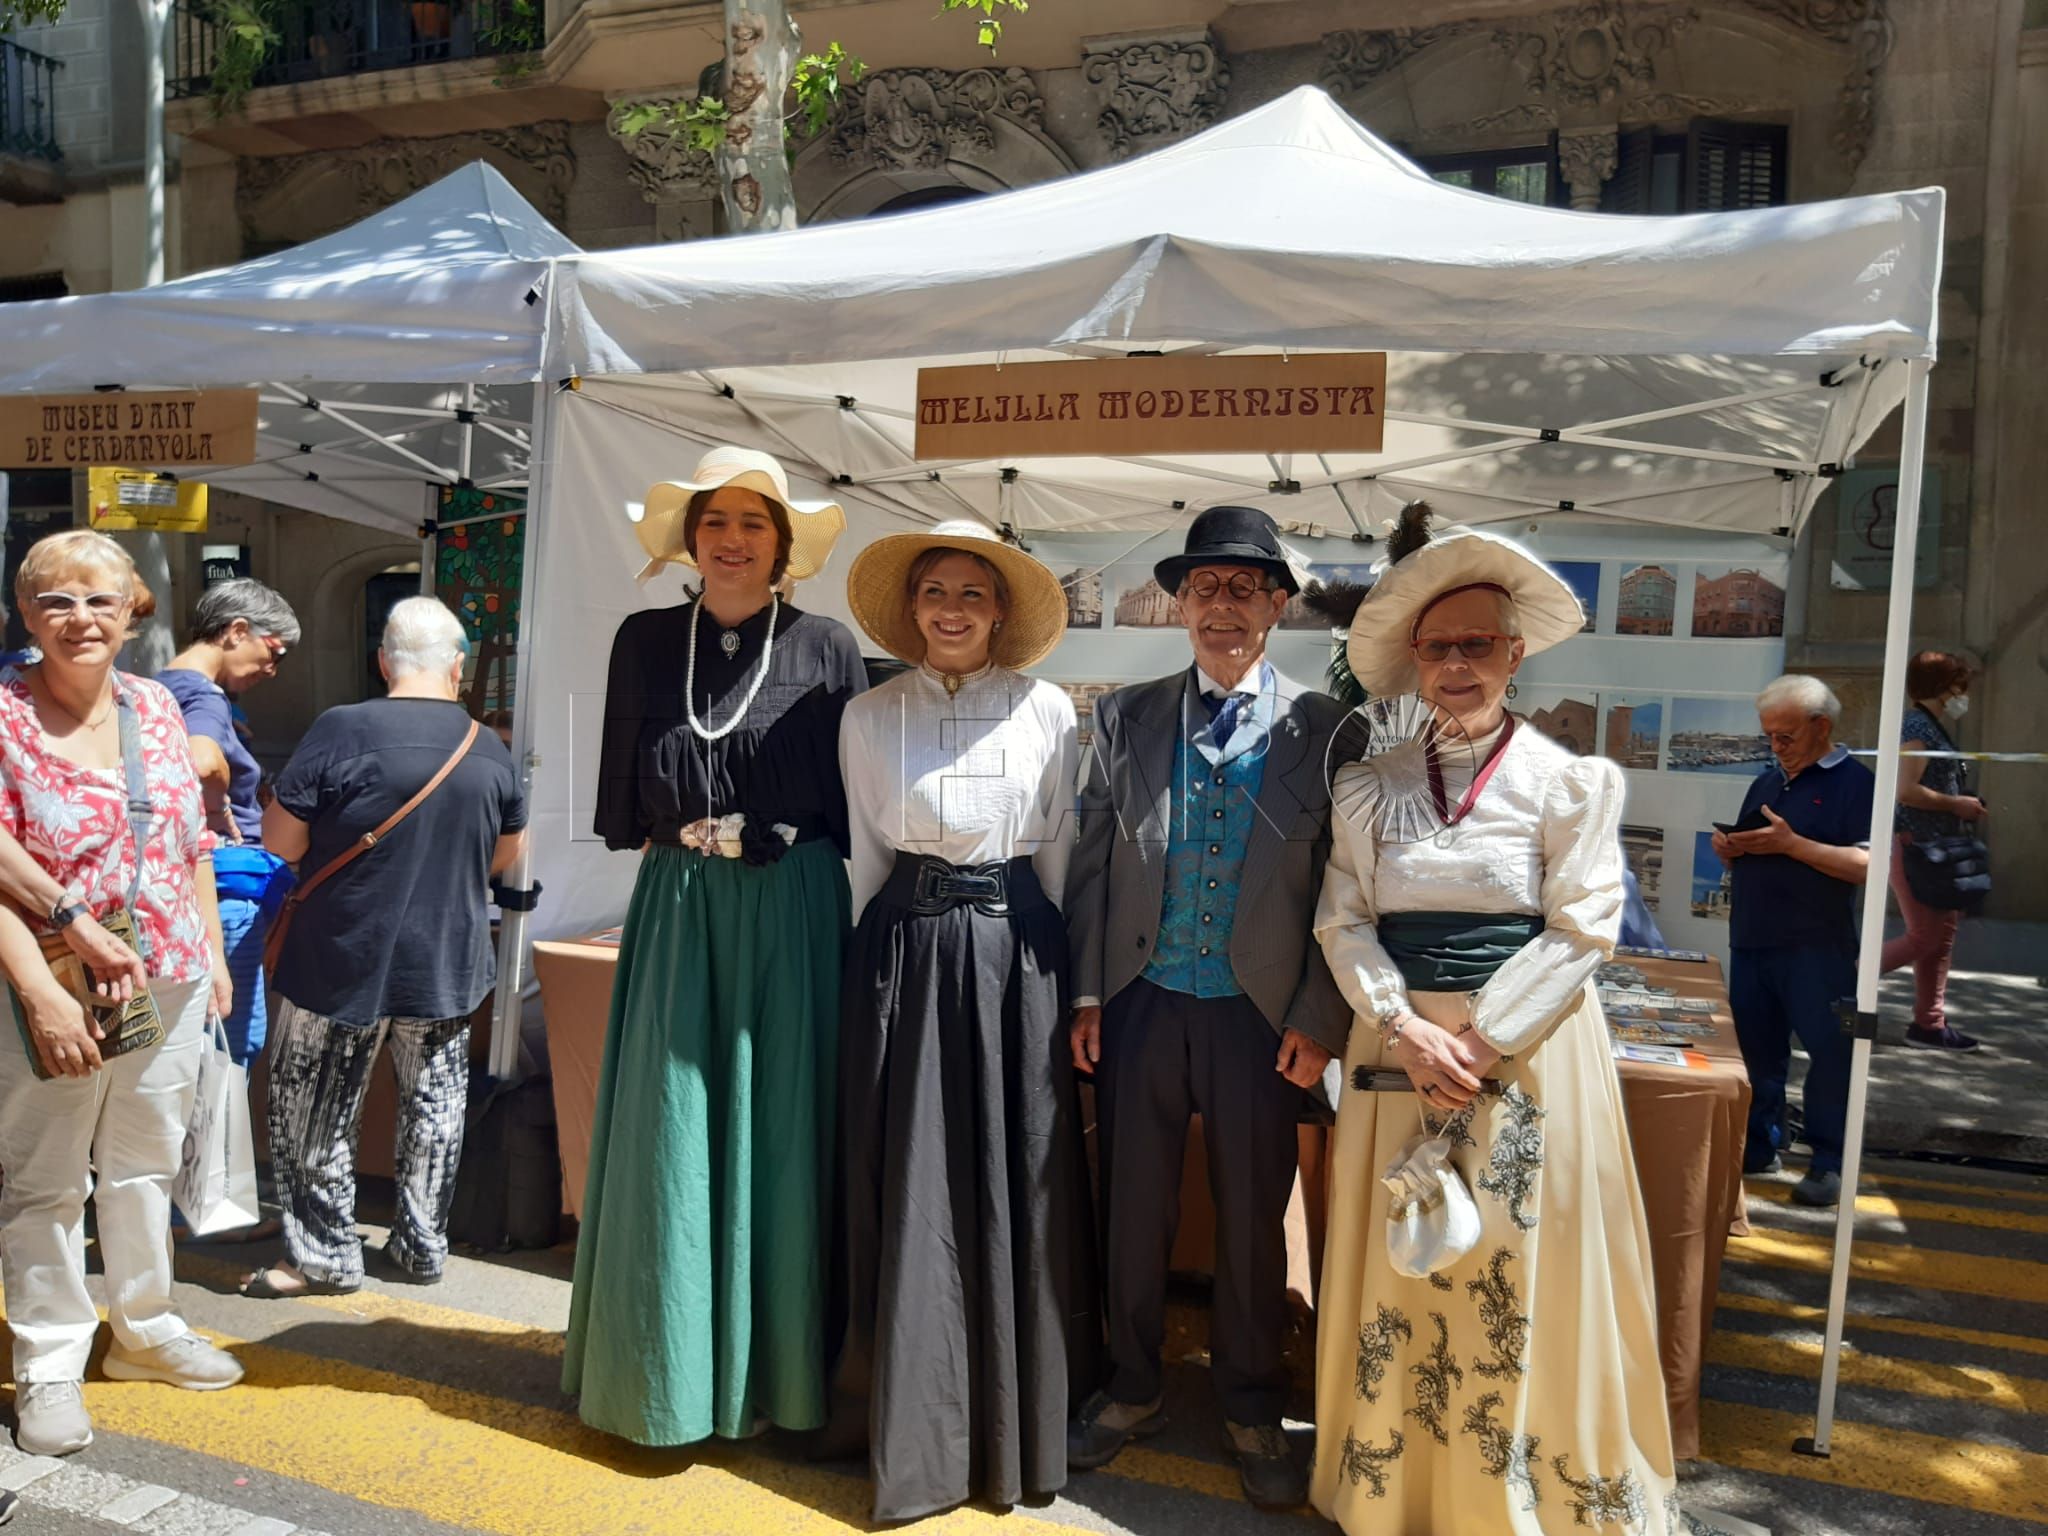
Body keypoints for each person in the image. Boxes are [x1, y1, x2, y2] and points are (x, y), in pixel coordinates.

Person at [1311, 504, 1679, 1534]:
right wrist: (1401, 1027)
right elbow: (1340, 917)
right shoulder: (1365, 785)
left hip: (1520, 1060)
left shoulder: (1571, 782)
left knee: (1510, 1267)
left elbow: (1583, 929)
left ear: (1514, 652)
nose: (1458, 664)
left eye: (1478, 643)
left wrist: (1474, 1043)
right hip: (1395, 1057)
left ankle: (1511, 1499)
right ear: (1412, 661)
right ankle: (1397, 1491)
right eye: (1438, 646)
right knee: (1404, 1258)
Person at [565, 445, 866, 1447]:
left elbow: (851, 804)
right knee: (669, 1124)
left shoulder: (826, 644)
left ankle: (783, 1376)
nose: (732, 540)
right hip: (681, 905)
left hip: (791, 903)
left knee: (783, 1122)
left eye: (753, 523)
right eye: (715, 521)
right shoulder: (645, 642)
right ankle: (662, 1374)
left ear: (782, 545)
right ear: (690, 540)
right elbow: (623, 791)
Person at [1065, 505, 1349, 1511]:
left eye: (1243, 587)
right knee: (1129, 1207)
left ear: (1276, 605)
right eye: (1203, 588)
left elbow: (1342, 888)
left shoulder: (1326, 731)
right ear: (1179, 604)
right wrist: (1091, 992)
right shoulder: (1122, 717)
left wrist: (1320, 1018)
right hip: (1142, 999)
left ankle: (1247, 1402)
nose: (1221, 606)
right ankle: (1129, 1383)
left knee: (1251, 1221)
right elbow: (1091, 865)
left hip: (1259, 1016)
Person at [828, 520, 1096, 1521]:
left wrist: (1057, 978)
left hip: (1013, 953)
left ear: (999, 614)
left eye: (970, 595)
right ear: (911, 610)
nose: (949, 610)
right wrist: (876, 967)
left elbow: (1061, 855)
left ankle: (1014, 1420)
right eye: (933, 592)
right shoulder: (866, 716)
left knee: (1013, 1175)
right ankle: (909, 1417)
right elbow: (863, 856)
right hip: (901, 950)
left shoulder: (1048, 712)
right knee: (907, 1172)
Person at [0, 531, 243, 1459]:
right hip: (51, 977)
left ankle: (143, 1328)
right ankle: (52, 1362)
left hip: (166, 972)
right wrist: (39, 992)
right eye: (56, 600)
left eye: (99, 599)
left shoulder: (151, 704)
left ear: (132, 608)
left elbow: (191, 848)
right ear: (27, 614)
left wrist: (212, 956)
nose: (79, 618)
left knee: (145, 1159)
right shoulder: (7, 716)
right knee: (48, 1178)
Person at [239, 597, 526, 1297]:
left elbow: (280, 842)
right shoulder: (488, 746)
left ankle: (324, 1257)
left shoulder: (343, 728)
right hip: (449, 956)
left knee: (315, 1107)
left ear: (383, 662)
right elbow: (509, 854)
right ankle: (424, 1246)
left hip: (342, 952)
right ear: (457, 667)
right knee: (436, 1104)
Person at [1717, 674, 1875, 1209]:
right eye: (1769, 737)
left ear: (1821, 726)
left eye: (1785, 736)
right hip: (1755, 938)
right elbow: (1756, 841)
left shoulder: (1858, 783)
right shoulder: (1767, 781)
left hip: (1818, 944)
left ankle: (1828, 1161)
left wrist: (1792, 845)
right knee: (1758, 1052)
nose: (1775, 747)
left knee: (1831, 1054)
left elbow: (1868, 865)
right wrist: (1731, 848)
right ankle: (1762, 1144)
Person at [158, 578, 301, 1072]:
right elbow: (200, 760)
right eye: (274, 650)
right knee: (230, 1049)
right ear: (237, 630)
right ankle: (221, 1152)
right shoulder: (206, 697)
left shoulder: (153, 688)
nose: (273, 668)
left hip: (179, 888)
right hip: (221, 889)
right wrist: (217, 801)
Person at [1880, 649, 1983, 1051]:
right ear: (1943, 688)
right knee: (1924, 937)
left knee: (1940, 939)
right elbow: (1906, 789)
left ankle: (1929, 1023)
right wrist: (1957, 805)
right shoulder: (1918, 725)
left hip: (1936, 849)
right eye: (1960, 686)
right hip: (1916, 848)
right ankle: (1844, 980)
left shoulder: (1929, 724)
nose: (1963, 695)